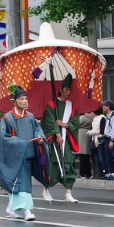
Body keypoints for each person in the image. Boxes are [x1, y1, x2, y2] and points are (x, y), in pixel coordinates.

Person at [0, 84, 50, 221]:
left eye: (26, 99)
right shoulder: (7, 118)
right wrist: (19, 143)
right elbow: (3, 138)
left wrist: (40, 139)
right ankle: (27, 211)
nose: (25, 101)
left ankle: (11, 208)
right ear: (15, 101)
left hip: (28, 155)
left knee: (21, 183)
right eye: (22, 99)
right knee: (21, 183)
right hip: (14, 157)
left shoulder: (31, 117)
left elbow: (38, 131)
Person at [41, 73, 80, 202]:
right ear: (61, 90)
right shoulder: (51, 104)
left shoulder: (71, 105)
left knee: (68, 164)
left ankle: (68, 193)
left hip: (66, 139)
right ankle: (46, 190)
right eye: (66, 89)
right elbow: (49, 121)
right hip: (54, 140)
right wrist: (57, 134)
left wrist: (64, 124)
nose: (68, 92)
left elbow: (75, 121)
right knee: (53, 165)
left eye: (70, 90)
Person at [86, 106, 107, 179]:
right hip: (94, 140)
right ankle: (99, 174)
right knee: (96, 158)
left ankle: (104, 173)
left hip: (100, 140)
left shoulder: (102, 118)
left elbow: (102, 130)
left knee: (101, 158)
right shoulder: (94, 119)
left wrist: (92, 132)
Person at [77, 112, 94, 179]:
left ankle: (82, 173)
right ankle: (88, 173)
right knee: (86, 157)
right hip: (88, 136)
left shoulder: (82, 117)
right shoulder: (92, 118)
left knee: (82, 157)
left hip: (81, 136)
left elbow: (76, 124)